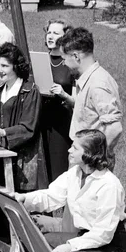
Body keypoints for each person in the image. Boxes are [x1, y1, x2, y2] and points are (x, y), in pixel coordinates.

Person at [0, 43, 43, 192]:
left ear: (16, 67)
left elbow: (28, 127)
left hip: (21, 160)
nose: (0, 70)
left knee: (16, 200)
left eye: (5, 66)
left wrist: (4, 132)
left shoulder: (29, 92)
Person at [57, 27, 123, 150]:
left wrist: (96, 156)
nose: (63, 63)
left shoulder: (98, 84)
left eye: (64, 59)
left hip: (89, 157)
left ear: (76, 56)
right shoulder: (88, 79)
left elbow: (114, 128)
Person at [38, 19, 77, 181]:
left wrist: (63, 94)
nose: (50, 36)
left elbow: (77, 102)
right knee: (40, 170)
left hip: (61, 123)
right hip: (40, 120)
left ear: (65, 37)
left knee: (58, 170)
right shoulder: (38, 60)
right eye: (49, 32)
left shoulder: (71, 63)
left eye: (56, 33)